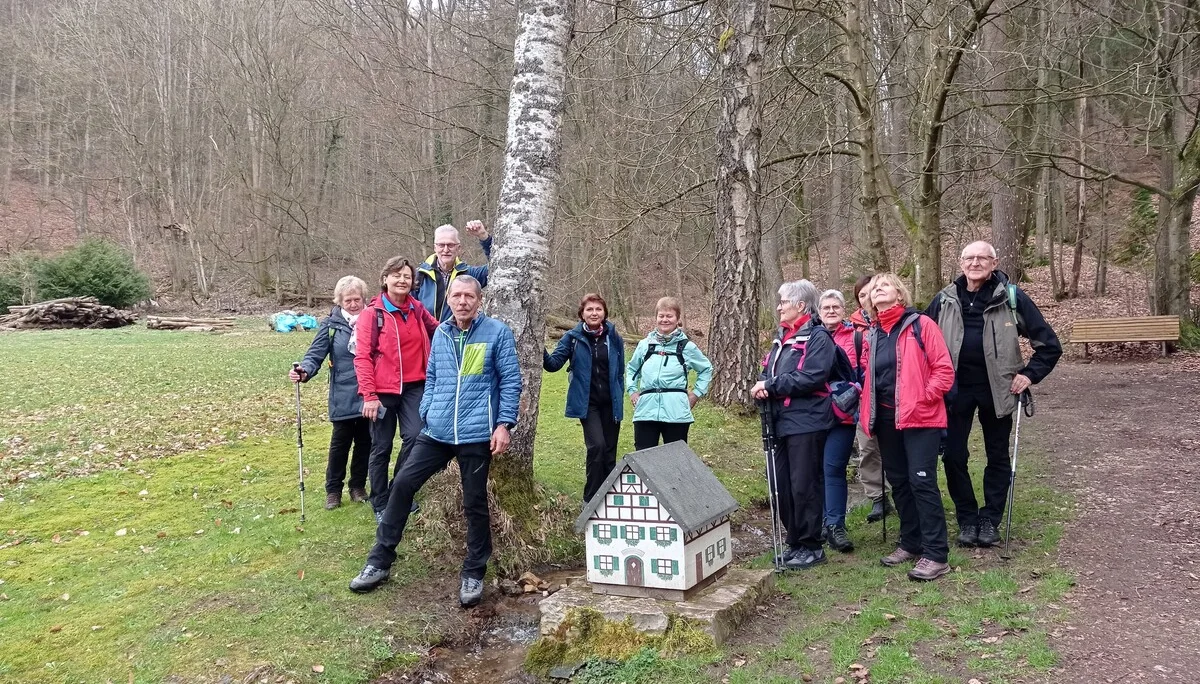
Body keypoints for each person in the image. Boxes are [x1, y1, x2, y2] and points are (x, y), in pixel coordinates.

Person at [349, 276, 522, 608]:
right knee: (402, 483)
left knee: (474, 503)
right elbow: (434, 377)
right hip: (438, 431)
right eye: (456, 295)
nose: (462, 301)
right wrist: (427, 411)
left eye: (469, 296)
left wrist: (503, 424)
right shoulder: (441, 333)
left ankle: (474, 571)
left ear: (479, 300)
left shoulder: (496, 333)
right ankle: (380, 560)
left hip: (476, 433)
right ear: (450, 301)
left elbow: (511, 380)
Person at [926, 241, 1061, 547]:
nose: (975, 263)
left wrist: (1028, 374)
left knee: (997, 455)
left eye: (982, 258)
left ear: (994, 262)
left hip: (998, 389)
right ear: (961, 263)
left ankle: (989, 519)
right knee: (954, 456)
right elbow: (921, 344)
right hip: (953, 391)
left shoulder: (1012, 298)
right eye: (969, 258)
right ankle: (967, 517)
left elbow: (1050, 345)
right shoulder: (944, 300)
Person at [859, 273, 956, 581]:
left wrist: (923, 398)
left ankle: (936, 554)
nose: (877, 291)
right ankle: (911, 542)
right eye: (874, 289)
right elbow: (869, 375)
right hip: (887, 420)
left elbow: (943, 369)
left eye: (883, 285)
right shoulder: (873, 333)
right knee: (899, 483)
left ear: (899, 294)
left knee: (922, 482)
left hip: (920, 418)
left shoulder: (921, 325)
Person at [751, 280, 838, 570]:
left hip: (808, 420)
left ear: (800, 305)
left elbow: (812, 376)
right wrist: (763, 387)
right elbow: (768, 371)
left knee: (804, 484)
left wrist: (771, 385)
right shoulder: (782, 337)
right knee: (782, 485)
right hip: (780, 421)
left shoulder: (818, 337)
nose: (778, 306)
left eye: (783, 302)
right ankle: (795, 542)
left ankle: (812, 546)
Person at [354, 257, 439, 521]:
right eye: (396, 275)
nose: (402, 280)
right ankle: (380, 503)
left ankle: (397, 492)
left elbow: (438, 329)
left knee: (415, 438)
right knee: (381, 446)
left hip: (415, 386)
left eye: (406, 276)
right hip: (382, 391)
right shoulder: (372, 314)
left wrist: (466, 325)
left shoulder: (416, 308)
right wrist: (369, 395)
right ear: (385, 279)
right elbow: (362, 356)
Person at [289, 276, 373, 510]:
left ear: (363, 299)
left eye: (357, 299)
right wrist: (304, 371)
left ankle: (358, 486)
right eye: (348, 300)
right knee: (340, 444)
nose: (353, 304)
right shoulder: (330, 325)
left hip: (369, 392)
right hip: (342, 393)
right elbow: (315, 354)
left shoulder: (374, 319)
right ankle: (333, 490)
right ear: (339, 301)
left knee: (365, 442)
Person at [543, 293, 626, 503]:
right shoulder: (572, 338)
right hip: (587, 403)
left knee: (609, 452)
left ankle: (610, 500)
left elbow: (620, 371)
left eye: (598, 309)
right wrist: (538, 345)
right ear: (582, 314)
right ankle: (590, 500)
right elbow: (553, 365)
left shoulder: (613, 336)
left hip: (611, 403)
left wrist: (619, 392)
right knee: (596, 447)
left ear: (605, 313)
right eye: (589, 309)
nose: (594, 313)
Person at [626, 297, 713, 450]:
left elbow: (706, 369)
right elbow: (632, 368)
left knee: (676, 459)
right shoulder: (644, 345)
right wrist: (632, 391)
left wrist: (696, 394)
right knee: (643, 458)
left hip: (676, 412)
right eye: (661, 316)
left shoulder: (687, 347)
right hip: (646, 410)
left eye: (669, 316)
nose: (664, 320)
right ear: (656, 318)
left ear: (677, 319)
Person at [817, 289, 859, 553]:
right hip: (813, 413)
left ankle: (836, 525)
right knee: (815, 469)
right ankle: (820, 521)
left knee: (833, 467)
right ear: (818, 312)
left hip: (844, 414)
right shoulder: (809, 337)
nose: (831, 311)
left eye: (836, 307)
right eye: (826, 308)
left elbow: (864, 372)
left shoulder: (855, 337)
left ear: (843, 310)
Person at [414, 221, 493, 322]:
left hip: (460, 336)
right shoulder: (419, 276)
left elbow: (499, 265)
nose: (446, 250)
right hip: (426, 337)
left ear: (458, 248)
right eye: (441, 245)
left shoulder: (470, 275)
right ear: (435, 248)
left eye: (450, 245)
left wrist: (483, 236)